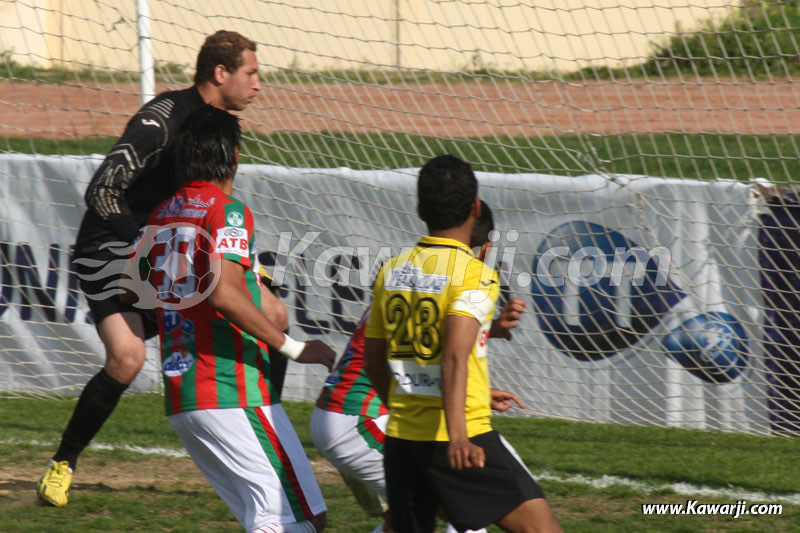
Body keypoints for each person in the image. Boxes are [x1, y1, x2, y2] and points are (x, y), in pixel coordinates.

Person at [37, 30, 268, 507]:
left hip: (166, 247)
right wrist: (150, 244)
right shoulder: (162, 119)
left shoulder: (219, 127)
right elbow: (101, 191)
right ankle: (63, 463)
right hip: (114, 246)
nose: (258, 85)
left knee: (267, 315)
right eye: (251, 72)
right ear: (220, 73)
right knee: (127, 358)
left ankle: (267, 443)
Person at [145, 105, 332, 532]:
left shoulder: (162, 213)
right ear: (231, 154)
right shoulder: (227, 211)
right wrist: (296, 349)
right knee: (285, 520)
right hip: (230, 388)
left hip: (183, 395)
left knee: (306, 516)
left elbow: (128, 286)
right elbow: (226, 294)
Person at [364, 155, 562, 533]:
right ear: (475, 207)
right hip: (459, 437)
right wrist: (457, 436)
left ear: (420, 209)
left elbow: (374, 361)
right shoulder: (476, 275)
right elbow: (454, 354)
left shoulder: (391, 270)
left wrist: (406, 408)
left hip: (403, 438)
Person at [310, 201, 528, 533]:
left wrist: (491, 339)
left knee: (407, 519)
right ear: (486, 247)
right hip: (364, 417)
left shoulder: (415, 273)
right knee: (467, 508)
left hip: (351, 413)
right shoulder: (466, 278)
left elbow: (425, 351)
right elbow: (444, 353)